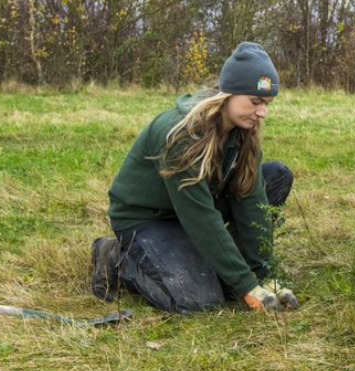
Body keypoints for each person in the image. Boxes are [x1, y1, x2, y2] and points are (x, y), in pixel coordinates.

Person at [90, 42, 297, 314]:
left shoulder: (245, 129)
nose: (262, 113)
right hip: (149, 220)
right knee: (201, 302)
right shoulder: (181, 135)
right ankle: (116, 257)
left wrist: (262, 275)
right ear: (228, 94)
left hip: (193, 208)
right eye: (255, 101)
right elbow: (200, 217)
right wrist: (245, 286)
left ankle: (216, 267)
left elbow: (251, 202)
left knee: (276, 176)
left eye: (267, 104)